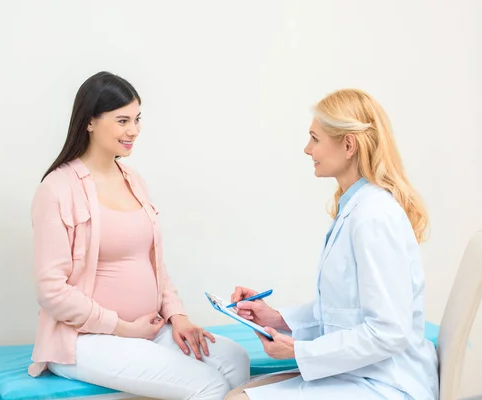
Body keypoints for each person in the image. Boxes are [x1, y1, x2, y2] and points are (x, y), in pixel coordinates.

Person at [28, 71, 250, 399]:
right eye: (122, 121)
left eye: (137, 119)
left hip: (149, 328)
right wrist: (123, 328)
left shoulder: (133, 179)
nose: (133, 130)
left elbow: (154, 265)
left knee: (235, 359)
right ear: (90, 122)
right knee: (209, 384)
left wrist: (179, 316)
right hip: (85, 339)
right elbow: (51, 290)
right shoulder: (57, 188)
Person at [226, 89, 439, 400]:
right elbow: (346, 312)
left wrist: (299, 350)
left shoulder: (373, 216)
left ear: (348, 145)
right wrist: (276, 319)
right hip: (361, 371)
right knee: (240, 392)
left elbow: (389, 332)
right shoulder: (356, 207)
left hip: (389, 382)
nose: (306, 148)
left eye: (314, 138)